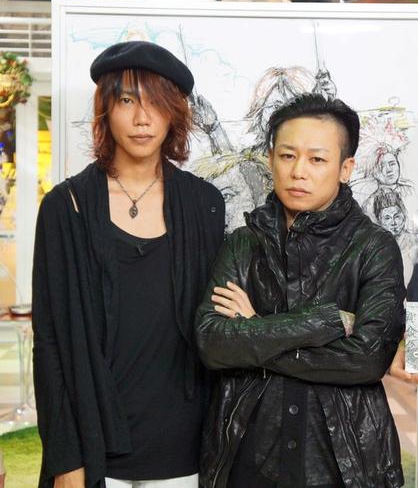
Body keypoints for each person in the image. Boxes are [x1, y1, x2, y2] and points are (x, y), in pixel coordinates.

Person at [32, 41, 225, 488]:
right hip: (95, 444)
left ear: (174, 113)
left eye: (156, 103)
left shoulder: (204, 204)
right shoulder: (66, 207)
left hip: (184, 445)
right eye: (126, 101)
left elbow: (213, 326)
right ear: (105, 110)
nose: (142, 118)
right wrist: (66, 459)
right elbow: (50, 342)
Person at [195, 94, 405, 488]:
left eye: (317, 159)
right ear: (271, 159)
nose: (298, 172)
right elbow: (213, 343)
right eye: (287, 156)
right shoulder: (243, 243)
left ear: (345, 168)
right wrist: (322, 322)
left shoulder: (373, 247)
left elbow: (367, 359)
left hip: (345, 461)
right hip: (246, 454)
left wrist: (255, 331)